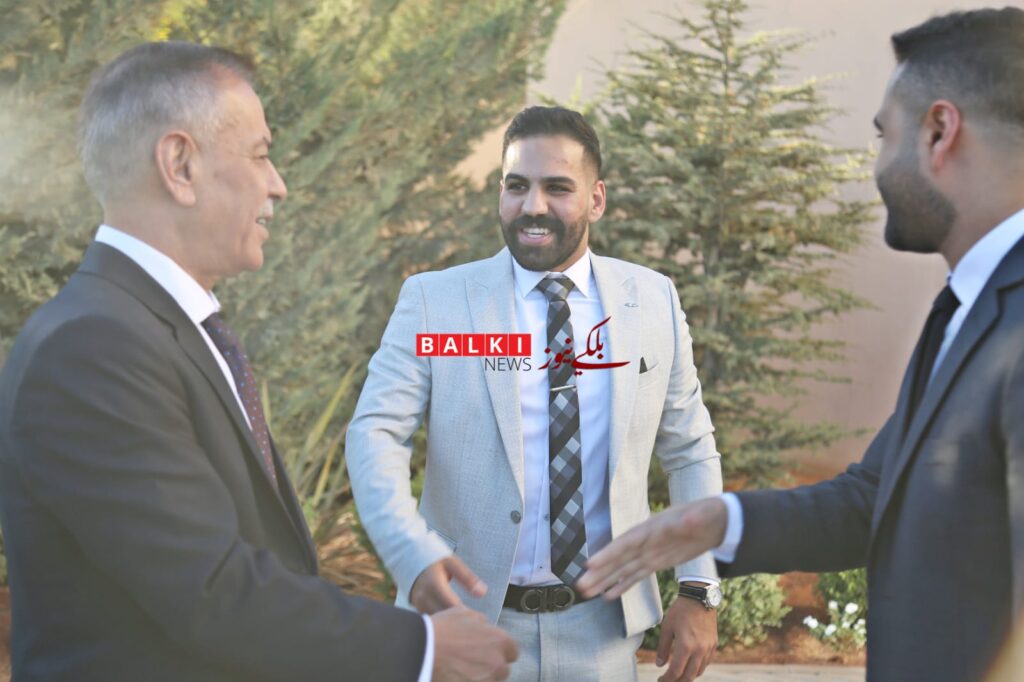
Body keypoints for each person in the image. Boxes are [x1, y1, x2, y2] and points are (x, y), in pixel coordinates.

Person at [0, 41, 517, 682]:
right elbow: (210, 588)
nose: (279, 183)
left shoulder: (152, 330)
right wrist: (422, 648)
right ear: (180, 164)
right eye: (260, 154)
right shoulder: (93, 347)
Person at [576, 8, 1024, 682]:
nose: (876, 167)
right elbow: (874, 499)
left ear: (939, 132)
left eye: (884, 136)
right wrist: (717, 522)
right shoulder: (967, 307)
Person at [347, 105, 724, 682]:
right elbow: (375, 434)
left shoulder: (651, 302)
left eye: (557, 188)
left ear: (596, 199)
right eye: (517, 186)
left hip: (603, 632)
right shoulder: (436, 303)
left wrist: (698, 586)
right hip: (466, 626)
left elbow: (690, 450)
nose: (533, 206)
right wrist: (409, 554)